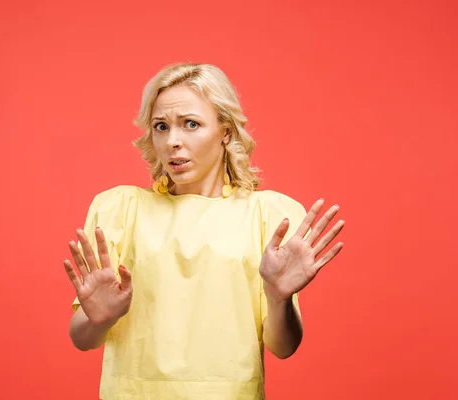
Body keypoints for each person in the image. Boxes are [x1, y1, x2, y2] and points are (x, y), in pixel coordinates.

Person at [62, 62, 345, 400]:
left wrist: (278, 297)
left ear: (225, 131)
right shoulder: (123, 210)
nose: (173, 141)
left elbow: (283, 348)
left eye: (190, 124)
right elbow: (82, 339)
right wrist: (98, 318)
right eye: (161, 127)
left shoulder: (264, 216)